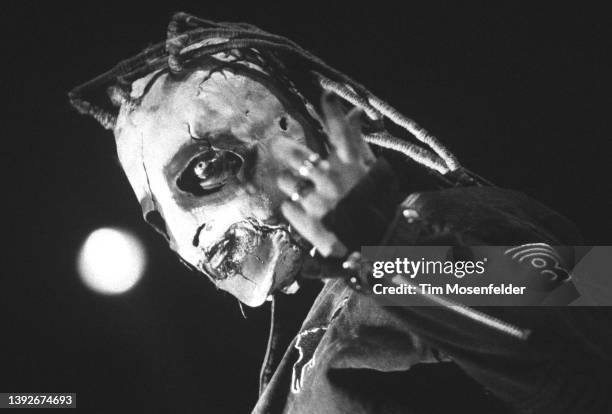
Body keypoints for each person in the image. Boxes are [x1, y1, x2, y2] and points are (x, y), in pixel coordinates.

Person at [69, 13, 612, 413]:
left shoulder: (454, 219)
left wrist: (387, 250)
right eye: (158, 220)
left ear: (297, 130)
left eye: (205, 169)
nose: (190, 236)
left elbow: (585, 336)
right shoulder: (292, 357)